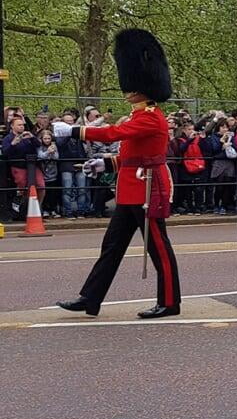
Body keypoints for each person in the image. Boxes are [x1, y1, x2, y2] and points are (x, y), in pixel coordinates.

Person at [54, 29, 182, 319]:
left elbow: (114, 132)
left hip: (149, 189)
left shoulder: (151, 117)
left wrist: (75, 130)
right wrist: (104, 164)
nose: (127, 91)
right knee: (111, 246)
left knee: (158, 248)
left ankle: (171, 301)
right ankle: (90, 298)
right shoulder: (139, 115)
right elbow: (128, 153)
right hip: (131, 190)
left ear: (141, 86)